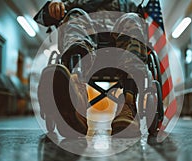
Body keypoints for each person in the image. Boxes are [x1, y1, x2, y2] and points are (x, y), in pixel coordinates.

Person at [39, 0, 149, 137]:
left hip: (119, 53)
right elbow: (47, 17)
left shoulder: (127, 5)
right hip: (86, 51)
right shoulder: (78, 1)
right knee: (76, 13)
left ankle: (128, 103)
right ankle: (76, 96)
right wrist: (54, 5)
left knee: (132, 17)